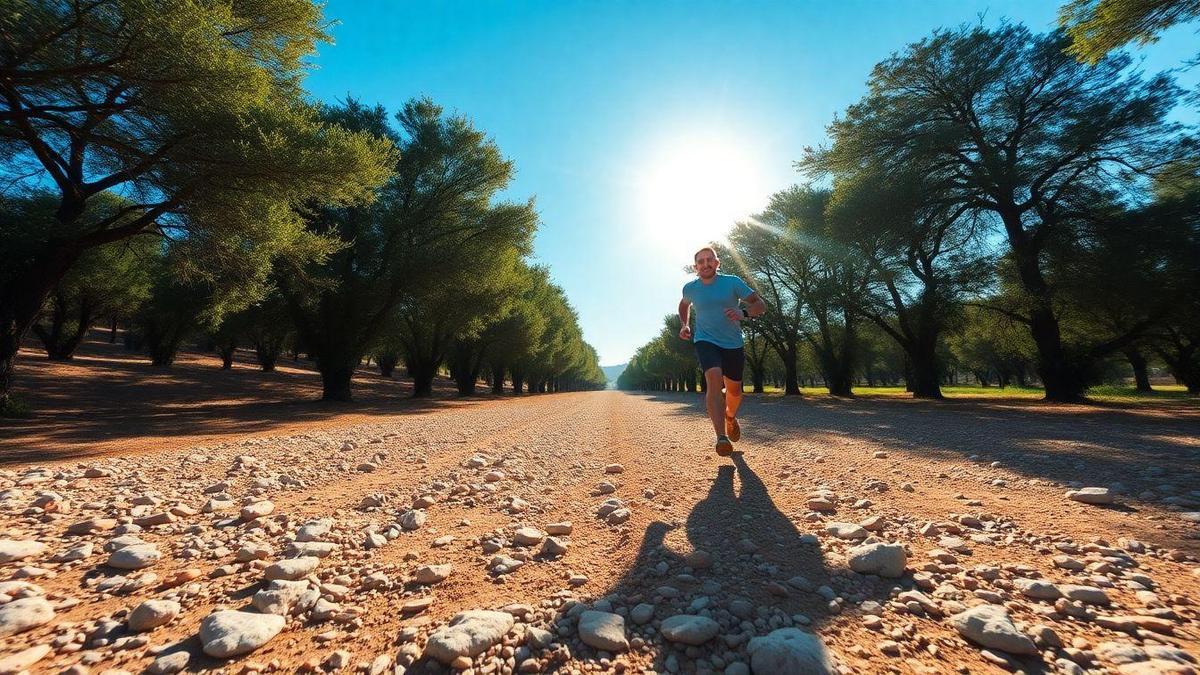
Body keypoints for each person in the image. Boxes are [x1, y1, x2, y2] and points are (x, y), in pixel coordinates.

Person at [678, 245, 766, 455]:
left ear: (717, 263)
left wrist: (743, 313)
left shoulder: (732, 282)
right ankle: (721, 437)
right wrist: (685, 324)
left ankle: (730, 416)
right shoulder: (690, 288)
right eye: (701, 261)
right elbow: (684, 305)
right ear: (695, 266)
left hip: (733, 344)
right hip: (705, 340)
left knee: (734, 392)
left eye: (710, 260)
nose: (705, 264)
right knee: (714, 379)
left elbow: (760, 304)